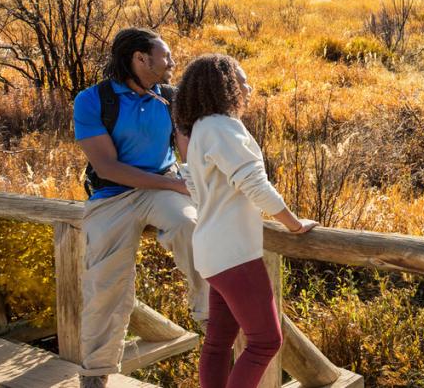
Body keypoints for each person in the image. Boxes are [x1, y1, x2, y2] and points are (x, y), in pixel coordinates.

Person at [74, 28, 208, 388]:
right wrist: (174, 184)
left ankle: (209, 315)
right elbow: (108, 168)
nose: (172, 62)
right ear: (140, 59)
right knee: (104, 281)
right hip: (112, 196)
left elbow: (188, 151)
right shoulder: (92, 100)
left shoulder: (171, 98)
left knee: (189, 226)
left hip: (161, 189)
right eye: (165, 56)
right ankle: (95, 370)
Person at [174, 54, 318, 388]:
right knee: (266, 341)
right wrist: (294, 224)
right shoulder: (223, 127)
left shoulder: (200, 130)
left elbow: (195, 189)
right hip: (234, 253)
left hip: (211, 252)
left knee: (218, 342)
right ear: (223, 85)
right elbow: (255, 186)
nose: (248, 87)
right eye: (241, 80)